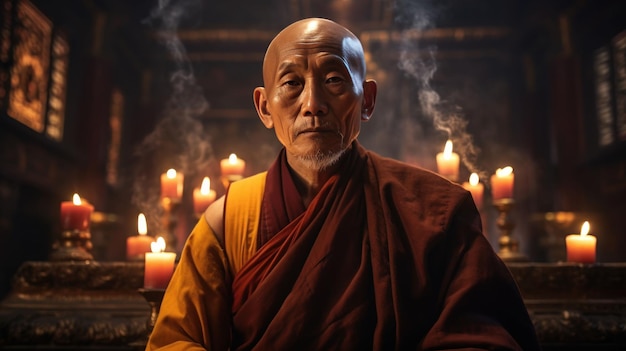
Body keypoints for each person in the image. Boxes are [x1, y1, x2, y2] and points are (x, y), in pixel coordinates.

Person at [146, 17, 540, 351]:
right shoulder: (226, 223)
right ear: (265, 107)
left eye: (333, 79)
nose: (313, 102)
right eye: (291, 83)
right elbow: (175, 341)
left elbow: (481, 335)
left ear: (366, 99)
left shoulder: (431, 211)